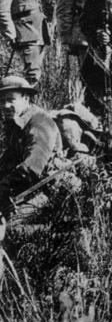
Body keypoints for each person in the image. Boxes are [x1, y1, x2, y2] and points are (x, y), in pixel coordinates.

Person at [0, 76, 69, 243]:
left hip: (50, 187)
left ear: (26, 98)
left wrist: (4, 184)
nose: (5, 106)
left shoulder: (39, 122)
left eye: (11, 100)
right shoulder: (15, 124)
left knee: (9, 230)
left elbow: (33, 167)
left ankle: (66, 236)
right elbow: (8, 160)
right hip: (29, 186)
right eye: (2, 101)